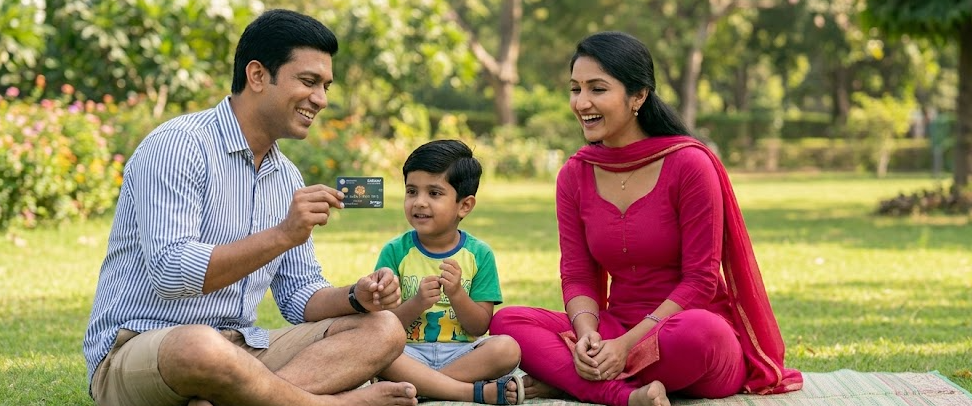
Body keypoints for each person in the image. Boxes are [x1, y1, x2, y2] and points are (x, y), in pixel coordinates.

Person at [82, 9, 418, 406]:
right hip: (143, 349)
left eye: (326, 85)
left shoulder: (287, 176)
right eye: (309, 81)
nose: (321, 99)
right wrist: (281, 234)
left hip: (241, 350)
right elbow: (171, 272)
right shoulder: (179, 146)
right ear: (257, 75)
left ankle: (236, 398)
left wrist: (357, 296)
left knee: (384, 329)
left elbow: (299, 295)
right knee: (200, 346)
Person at [489, 31, 804, 406]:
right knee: (508, 322)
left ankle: (570, 381)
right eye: (575, 89)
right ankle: (626, 395)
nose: (582, 102)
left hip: (686, 330)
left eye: (597, 89)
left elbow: (701, 281)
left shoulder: (689, 164)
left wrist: (625, 346)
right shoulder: (575, 174)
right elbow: (578, 274)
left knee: (701, 334)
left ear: (638, 96)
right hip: (614, 325)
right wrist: (588, 332)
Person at [373, 140, 525, 405]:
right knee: (372, 350)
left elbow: (479, 326)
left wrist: (456, 293)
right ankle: (466, 391)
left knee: (507, 348)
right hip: (408, 353)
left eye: (434, 193)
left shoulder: (479, 255)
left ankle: (423, 386)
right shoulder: (395, 252)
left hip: (462, 354)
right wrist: (416, 303)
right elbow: (383, 325)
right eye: (411, 191)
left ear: (464, 205)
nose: (419, 203)